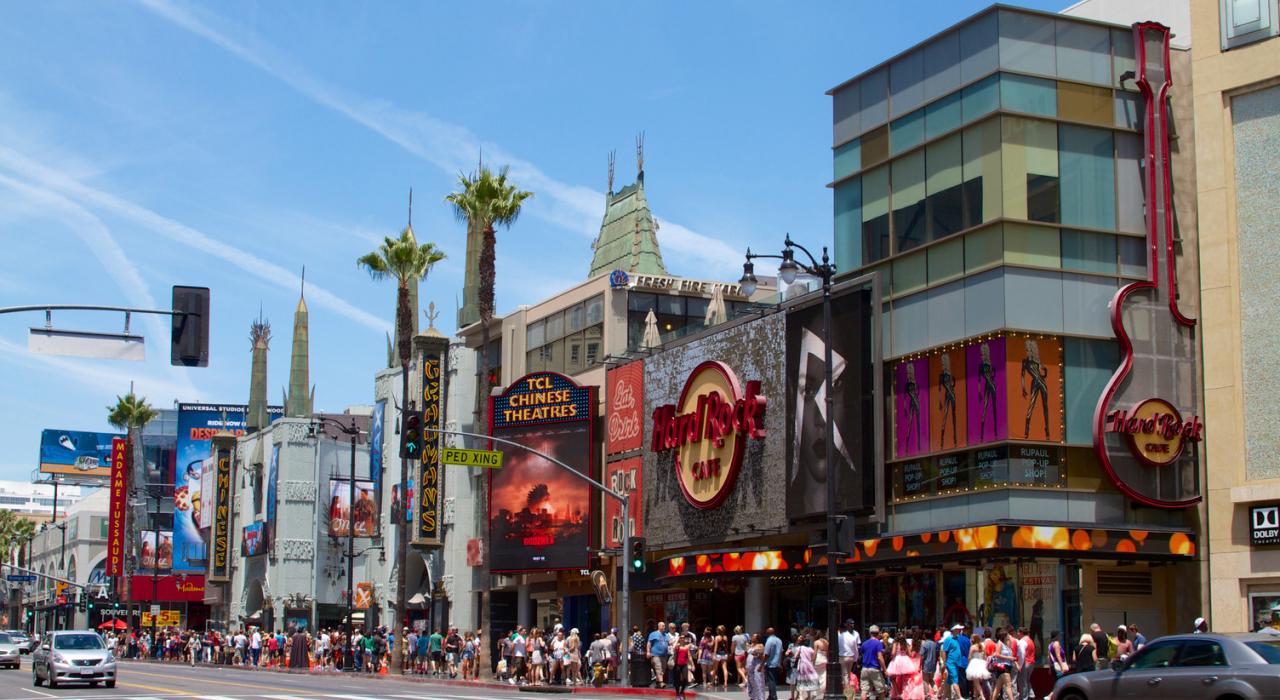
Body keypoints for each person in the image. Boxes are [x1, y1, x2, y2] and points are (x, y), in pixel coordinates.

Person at [988, 631, 1017, 700]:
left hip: (1008, 666)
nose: (1009, 636)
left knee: (998, 687)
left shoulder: (1007, 644)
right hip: (1003, 667)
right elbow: (997, 654)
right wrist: (1009, 658)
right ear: (1004, 636)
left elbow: (1011, 654)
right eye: (1007, 635)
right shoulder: (1000, 643)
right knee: (1008, 685)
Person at [861, 625, 887, 700]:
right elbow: (880, 657)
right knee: (881, 690)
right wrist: (885, 670)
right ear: (878, 633)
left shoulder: (864, 643)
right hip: (874, 669)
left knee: (864, 691)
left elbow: (862, 653)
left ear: (870, 633)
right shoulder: (878, 643)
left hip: (865, 668)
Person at [965, 634, 990, 700]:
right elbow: (985, 657)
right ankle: (975, 696)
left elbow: (969, 657)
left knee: (976, 682)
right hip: (981, 663)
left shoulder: (972, 647)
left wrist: (969, 665)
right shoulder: (982, 646)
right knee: (976, 682)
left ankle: (982, 696)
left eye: (971, 638)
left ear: (973, 639)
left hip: (974, 663)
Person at [840, 620, 862, 690]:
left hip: (843, 656)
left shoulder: (841, 636)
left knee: (845, 674)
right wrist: (856, 658)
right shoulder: (852, 637)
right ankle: (847, 688)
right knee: (848, 674)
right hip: (851, 656)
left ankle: (847, 690)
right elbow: (856, 648)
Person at [647, 621, 669, 689]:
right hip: (655, 654)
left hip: (664, 655)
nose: (664, 627)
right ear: (659, 626)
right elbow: (649, 643)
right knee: (658, 667)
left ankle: (657, 683)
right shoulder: (653, 634)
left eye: (664, 626)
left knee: (663, 669)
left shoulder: (666, 635)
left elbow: (669, 643)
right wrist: (648, 652)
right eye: (663, 626)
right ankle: (661, 682)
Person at [764, 628, 784, 700]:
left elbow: (767, 653)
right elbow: (781, 652)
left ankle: (773, 696)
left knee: (771, 681)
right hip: (777, 663)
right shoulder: (779, 640)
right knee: (773, 680)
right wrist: (780, 663)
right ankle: (770, 696)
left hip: (770, 663)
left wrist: (762, 663)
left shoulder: (769, 641)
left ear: (767, 633)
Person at [920, 627, 939, 700]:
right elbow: (937, 654)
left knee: (925, 681)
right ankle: (936, 691)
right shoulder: (934, 644)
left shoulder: (924, 644)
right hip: (933, 665)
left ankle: (927, 695)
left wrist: (919, 665)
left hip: (926, 665)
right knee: (931, 680)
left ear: (925, 635)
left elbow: (922, 656)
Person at [747, 634, 767, 700]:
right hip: (751, 668)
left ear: (757, 639)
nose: (751, 637)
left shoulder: (760, 645)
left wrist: (752, 650)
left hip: (757, 666)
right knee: (752, 684)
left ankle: (761, 698)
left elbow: (759, 653)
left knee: (759, 683)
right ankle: (754, 697)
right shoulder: (752, 645)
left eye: (753, 636)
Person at [672, 632, 692, 699]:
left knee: (685, 679)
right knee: (677, 679)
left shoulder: (686, 646)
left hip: (684, 664)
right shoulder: (677, 646)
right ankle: (677, 693)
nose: (682, 639)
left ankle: (681, 692)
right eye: (681, 638)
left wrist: (692, 664)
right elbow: (674, 648)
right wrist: (678, 640)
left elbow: (689, 656)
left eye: (683, 638)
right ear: (679, 638)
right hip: (677, 664)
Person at [714, 625, 730, 690]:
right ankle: (725, 682)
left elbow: (715, 647)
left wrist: (714, 654)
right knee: (725, 668)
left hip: (718, 654)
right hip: (724, 654)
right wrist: (728, 653)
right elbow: (727, 647)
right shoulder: (725, 637)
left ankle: (713, 681)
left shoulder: (717, 637)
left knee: (715, 668)